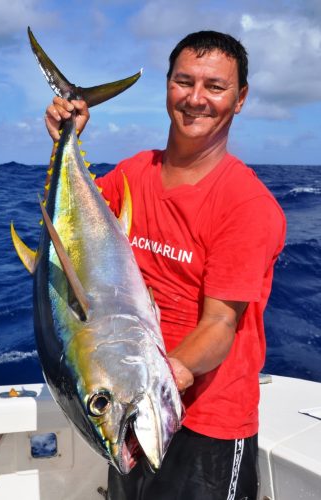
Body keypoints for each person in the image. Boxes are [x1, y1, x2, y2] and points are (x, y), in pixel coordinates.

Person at [45, 30, 286, 500]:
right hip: (132, 410)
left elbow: (220, 323)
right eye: (184, 81)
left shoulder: (246, 205)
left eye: (215, 86)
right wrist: (64, 140)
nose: (196, 98)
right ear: (168, 86)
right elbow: (70, 234)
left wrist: (160, 380)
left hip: (206, 424)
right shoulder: (133, 173)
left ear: (240, 99)